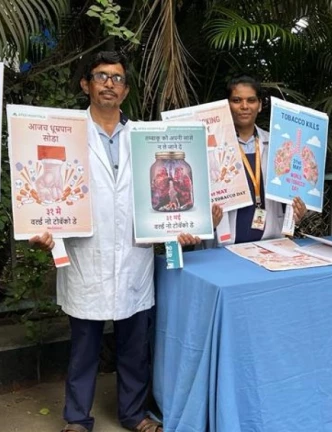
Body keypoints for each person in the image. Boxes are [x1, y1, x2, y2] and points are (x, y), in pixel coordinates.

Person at [29, 51, 219, 432]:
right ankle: (77, 418)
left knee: (135, 347)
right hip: (87, 256)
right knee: (84, 347)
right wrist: (42, 225)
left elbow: (162, 199)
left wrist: (183, 225)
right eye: (101, 76)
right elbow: (44, 189)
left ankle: (134, 414)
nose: (109, 84)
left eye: (116, 78)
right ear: (86, 85)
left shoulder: (146, 139)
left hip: (134, 258)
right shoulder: (65, 134)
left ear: (126, 89)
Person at [218, 76, 306, 244]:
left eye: (251, 100)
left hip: (270, 242)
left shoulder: (278, 145)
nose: (244, 106)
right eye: (237, 100)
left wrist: (297, 210)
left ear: (259, 105)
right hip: (226, 246)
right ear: (227, 105)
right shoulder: (213, 147)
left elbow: (291, 190)